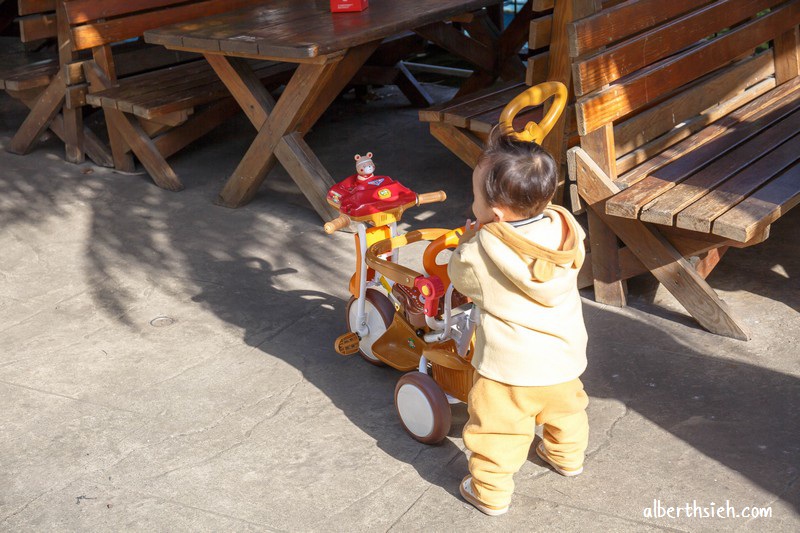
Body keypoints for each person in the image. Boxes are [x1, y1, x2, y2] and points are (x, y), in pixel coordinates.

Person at [448, 130, 589, 516]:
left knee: (497, 431)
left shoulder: (482, 249)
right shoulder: (566, 232)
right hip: (564, 359)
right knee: (567, 412)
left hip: (509, 370)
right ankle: (567, 457)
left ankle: (489, 493)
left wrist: (465, 242)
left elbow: (461, 279)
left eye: (474, 197)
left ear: (494, 215)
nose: (472, 203)